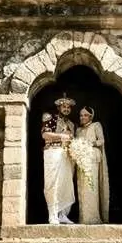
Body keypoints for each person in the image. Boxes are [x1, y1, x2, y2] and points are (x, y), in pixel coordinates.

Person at [41, 94, 77, 225]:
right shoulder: (50, 117)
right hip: (53, 152)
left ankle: (63, 214)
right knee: (52, 183)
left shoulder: (72, 124)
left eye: (68, 107)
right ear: (59, 107)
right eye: (64, 106)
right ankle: (52, 214)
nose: (66, 109)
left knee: (65, 184)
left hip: (67, 155)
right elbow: (45, 134)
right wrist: (61, 136)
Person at [73, 106, 109, 224]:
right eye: (81, 115)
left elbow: (101, 141)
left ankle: (93, 218)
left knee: (91, 187)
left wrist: (89, 144)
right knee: (82, 188)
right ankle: (84, 218)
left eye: (85, 115)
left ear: (90, 116)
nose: (82, 117)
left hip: (92, 159)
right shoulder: (78, 130)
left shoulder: (96, 126)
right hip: (81, 160)